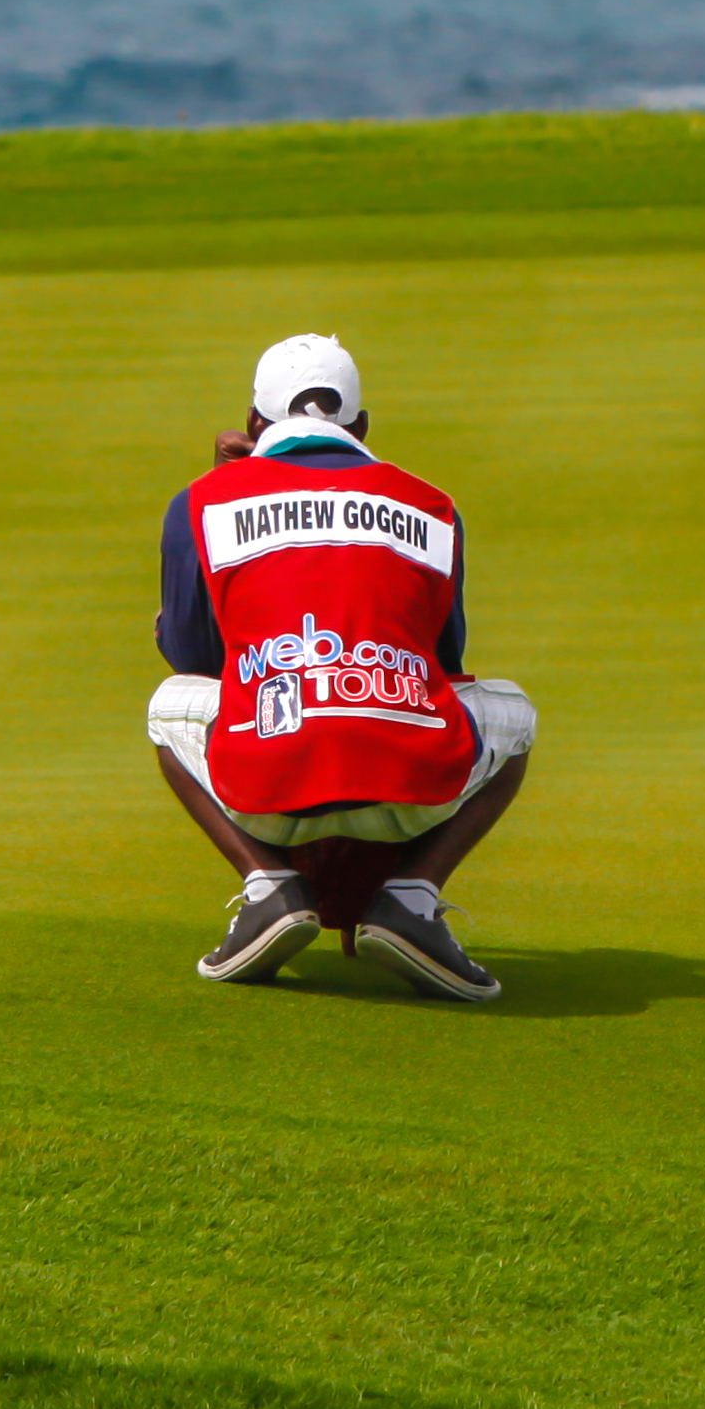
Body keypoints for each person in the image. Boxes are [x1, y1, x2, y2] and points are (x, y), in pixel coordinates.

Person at [147, 333, 536, 1002]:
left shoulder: (202, 500)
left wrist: (221, 482)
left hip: (266, 791)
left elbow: (193, 657)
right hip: (415, 793)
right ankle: (410, 899)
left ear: (251, 424)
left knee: (168, 701)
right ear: (361, 426)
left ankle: (269, 887)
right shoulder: (432, 502)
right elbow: (445, 661)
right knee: (515, 715)